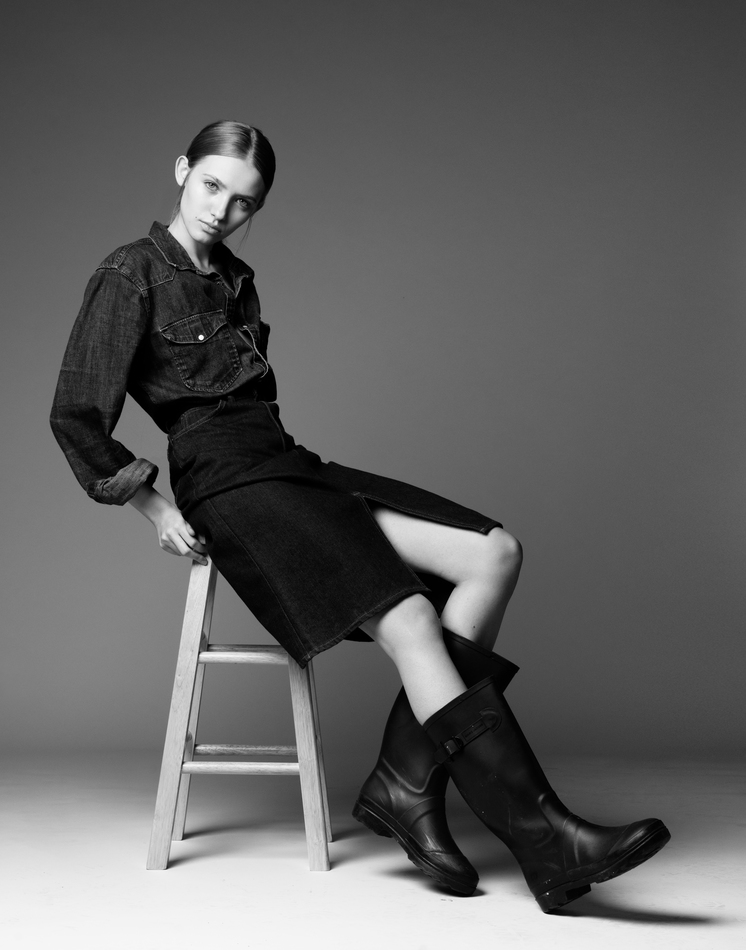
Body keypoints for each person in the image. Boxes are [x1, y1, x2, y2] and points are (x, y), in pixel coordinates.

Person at [50, 120, 670, 912]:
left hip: (284, 462)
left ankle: (406, 783)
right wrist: (151, 506)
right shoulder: (129, 272)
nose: (221, 210)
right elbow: (76, 413)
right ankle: (549, 841)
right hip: (226, 482)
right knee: (409, 615)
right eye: (211, 186)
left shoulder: (234, 278)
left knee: (494, 554)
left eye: (244, 203)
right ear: (181, 171)